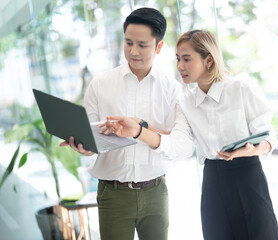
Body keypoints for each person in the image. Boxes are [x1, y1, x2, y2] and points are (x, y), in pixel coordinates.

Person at [105, 29, 278, 240]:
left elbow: (269, 136)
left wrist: (252, 150)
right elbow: (178, 138)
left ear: (208, 60)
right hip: (213, 181)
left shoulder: (241, 87)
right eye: (178, 59)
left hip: (247, 174)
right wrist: (141, 126)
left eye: (187, 59)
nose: (180, 66)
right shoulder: (186, 102)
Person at [60, 8, 194, 240]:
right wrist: (83, 146)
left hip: (155, 193)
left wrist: (141, 130)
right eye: (128, 42)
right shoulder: (100, 85)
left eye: (142, 45)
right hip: (113, 194)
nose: (133, 51)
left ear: (159, 47)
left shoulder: (172, 89)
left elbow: (182, 146)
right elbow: (92, 143)